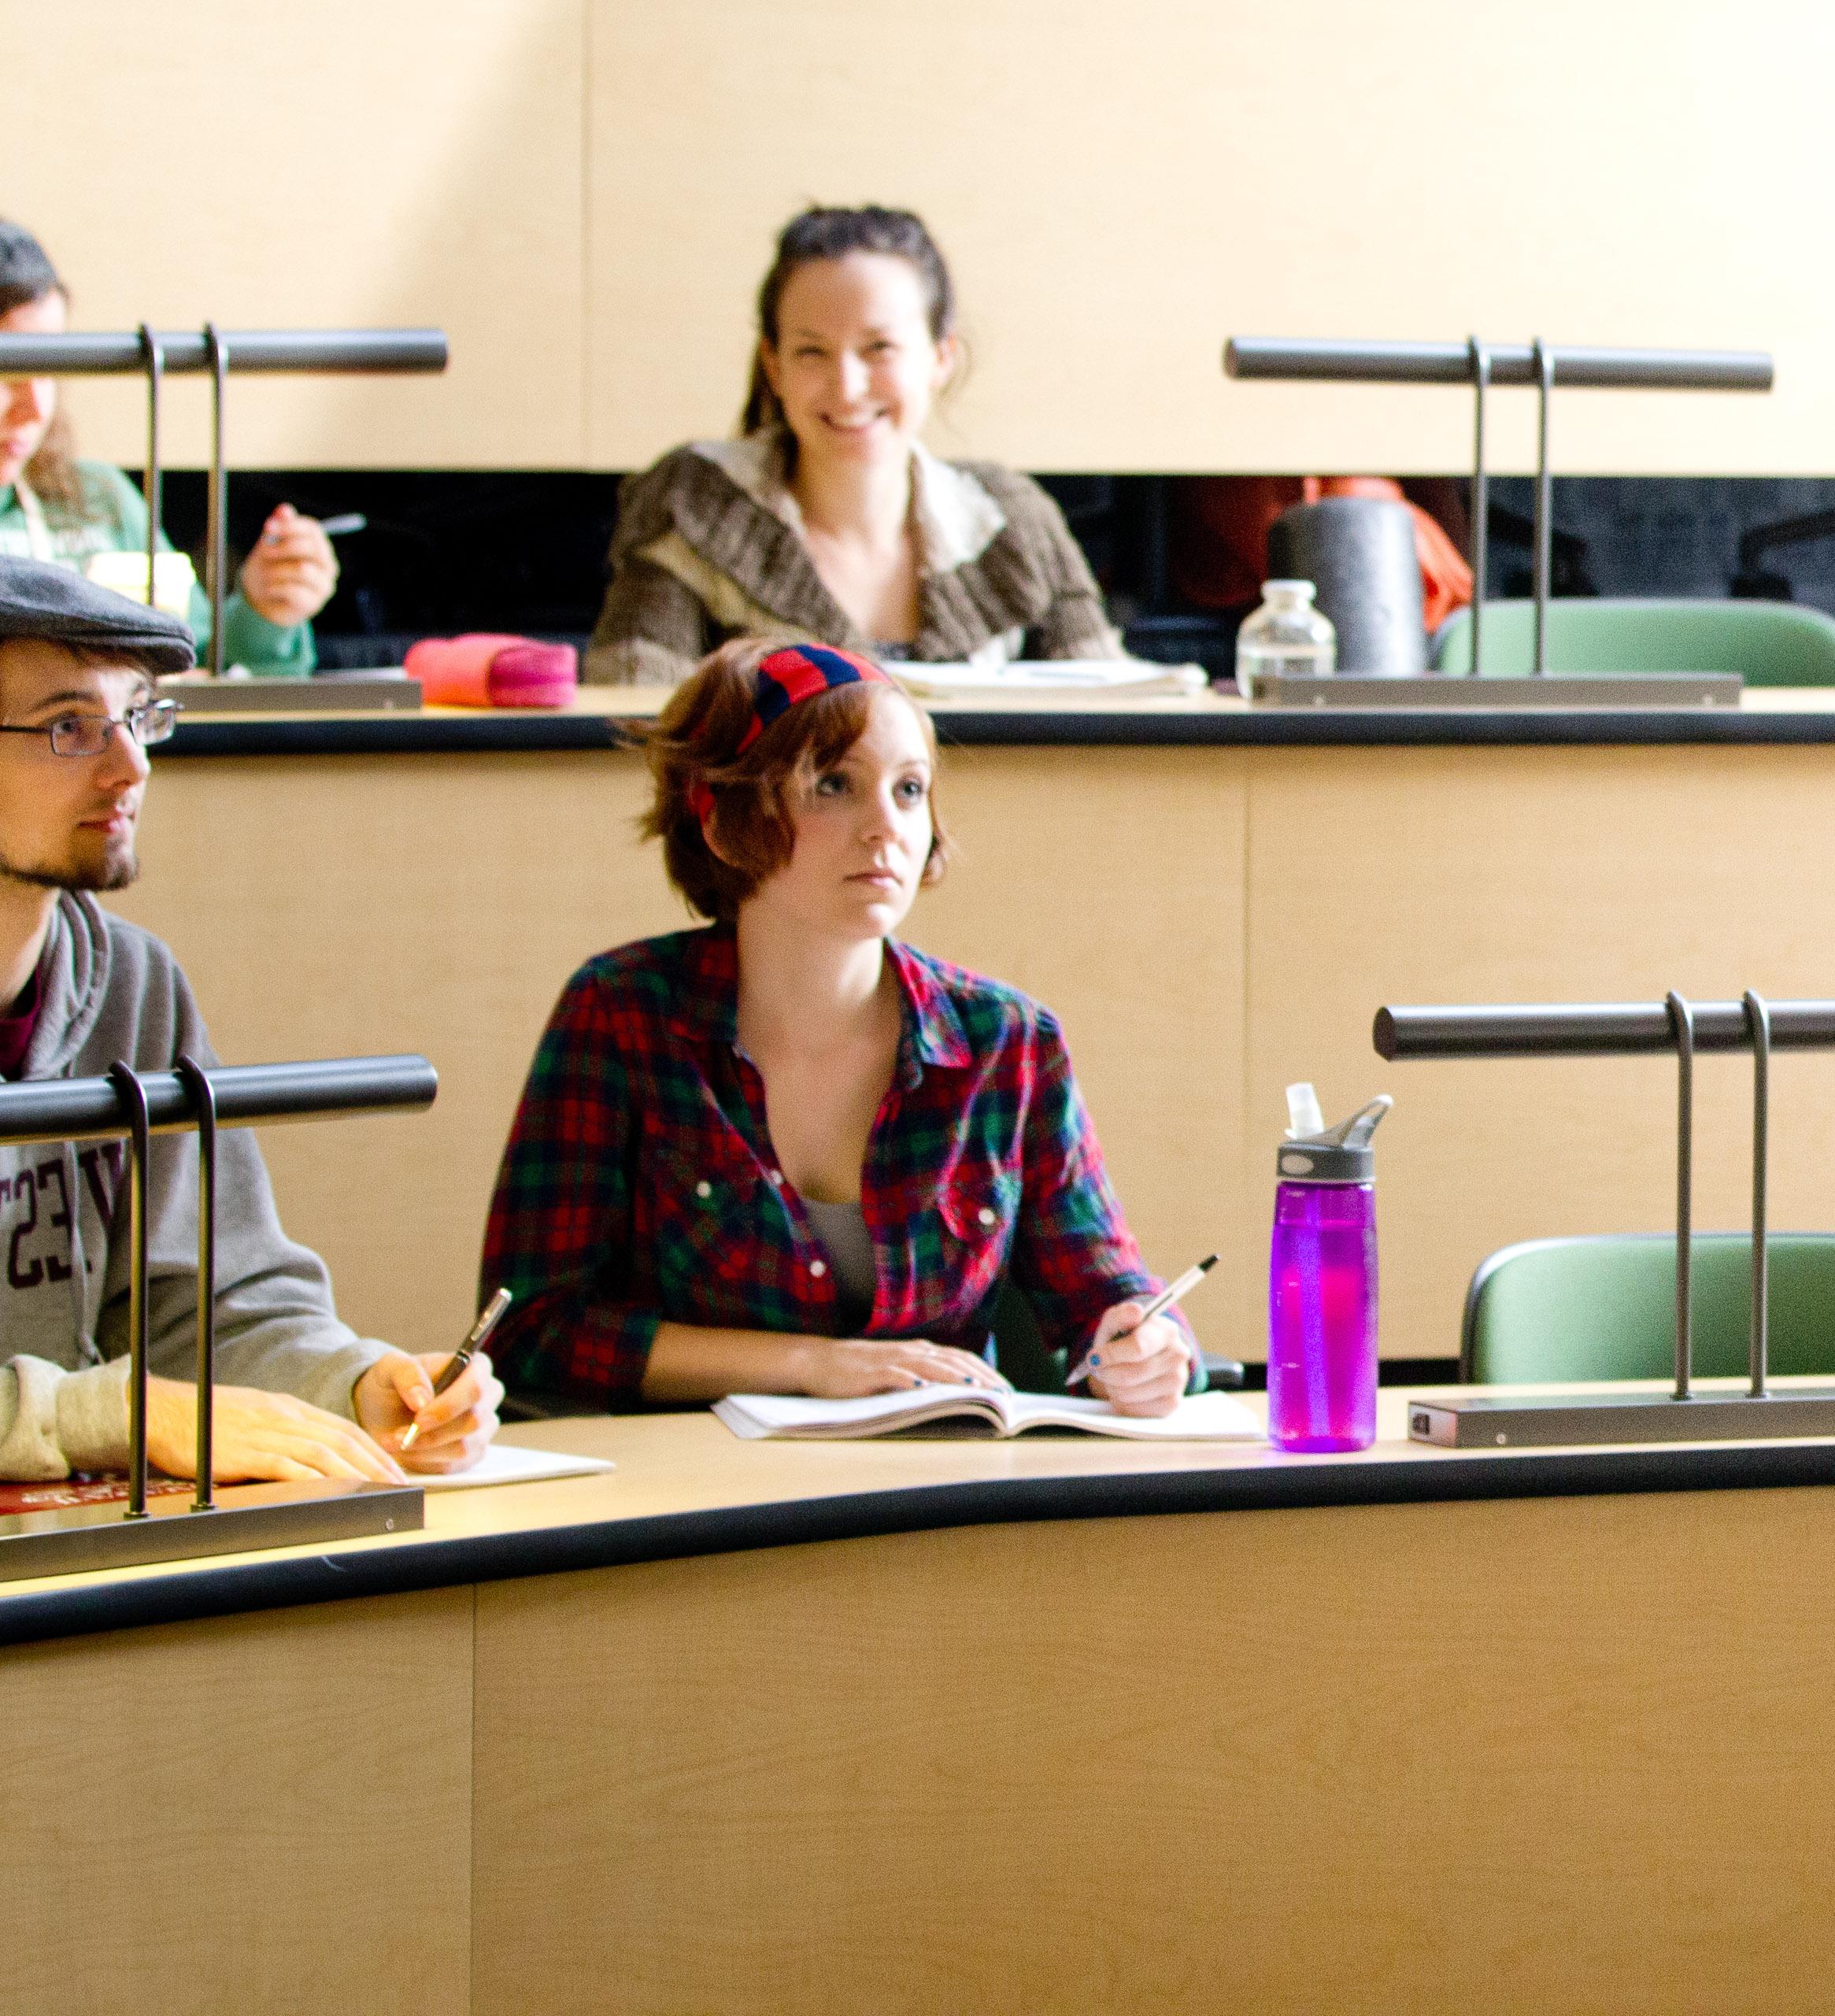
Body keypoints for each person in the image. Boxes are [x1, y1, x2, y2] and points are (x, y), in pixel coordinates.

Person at [479, 638, 1193, 1411]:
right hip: (698, 1493)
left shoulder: (1006, 1041)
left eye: (910, 789)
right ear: (725, 823)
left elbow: (1104, 1291)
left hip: (939, 1484)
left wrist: (1145, 1344)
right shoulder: (621, 1013)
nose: (885, 827)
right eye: (832, 785)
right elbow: (531, 1330)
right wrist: (808, 1364)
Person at [0, 558, 498, 1483]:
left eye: (139, 718)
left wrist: (349, 1383)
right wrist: (101, 1412)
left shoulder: (134, 984)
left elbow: (202, 1309)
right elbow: (130, 1405)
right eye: (71, 728)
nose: (132, 766)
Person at [586, 205, 1121, 683]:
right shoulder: (692, 504)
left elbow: (1124, 728)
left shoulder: (1014, 519)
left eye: (879, 348)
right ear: (774, 366)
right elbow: (631, 729)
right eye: (811, 353)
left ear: (940, 357)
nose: (847, 388)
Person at [0, 220, 339, 677]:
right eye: (10, 372)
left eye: (52, 368)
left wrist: (266, 610)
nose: (35, 408)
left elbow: (194, 664)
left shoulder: (99, 499)